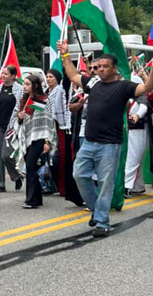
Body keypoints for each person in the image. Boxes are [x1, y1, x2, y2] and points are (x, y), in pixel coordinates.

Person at [58, 39, 153, 237]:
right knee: (79, 175)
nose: (100, 70)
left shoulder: (124, 86)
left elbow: (145, 89)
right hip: (89, 142)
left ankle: (102, 222)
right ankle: (96, 209)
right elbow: (74, 75)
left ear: (114, 68)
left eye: (104, 67)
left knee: (105, 184)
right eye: (98, 66)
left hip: (110, 145)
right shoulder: (93, 83)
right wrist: (65, 55)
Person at [14, 74, 57, 209]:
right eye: (24, 84)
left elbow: (46, 121)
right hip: (27, 137)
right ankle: (37, 198)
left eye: (27, 84)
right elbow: (24, 120)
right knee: (32, 166)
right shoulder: (24, 99)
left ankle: (31, 199)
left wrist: (47, 141)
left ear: (35, 85)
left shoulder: (42, 99)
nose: (25, 87)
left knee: (31, 166)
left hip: (39, 136)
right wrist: (20, 118)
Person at [46, 69, 83, 206]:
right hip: (55, 128)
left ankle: (69, 190)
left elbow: (70, 107)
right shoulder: (50, 92)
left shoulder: (63, 90)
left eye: (51, 77)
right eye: (47, 77)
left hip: (69, 129)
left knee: (65, 160)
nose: (48, 79)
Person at [0, 65, 24, 193]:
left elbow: (21, 106)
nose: (3, 76)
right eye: (2, 74)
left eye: (6, 74)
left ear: (13, 76)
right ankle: (0, 183)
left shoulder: (19, 89)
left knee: (6, 155)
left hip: (11, 127)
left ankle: (16, 176)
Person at [124, 74, 148, 197]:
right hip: (124, 128)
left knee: (134, 157)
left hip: (137, 128)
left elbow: (143, 107)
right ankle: (137, 186)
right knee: (129, 157)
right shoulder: (123, 95)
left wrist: (137, 115)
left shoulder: (140, 97)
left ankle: (126, 186)